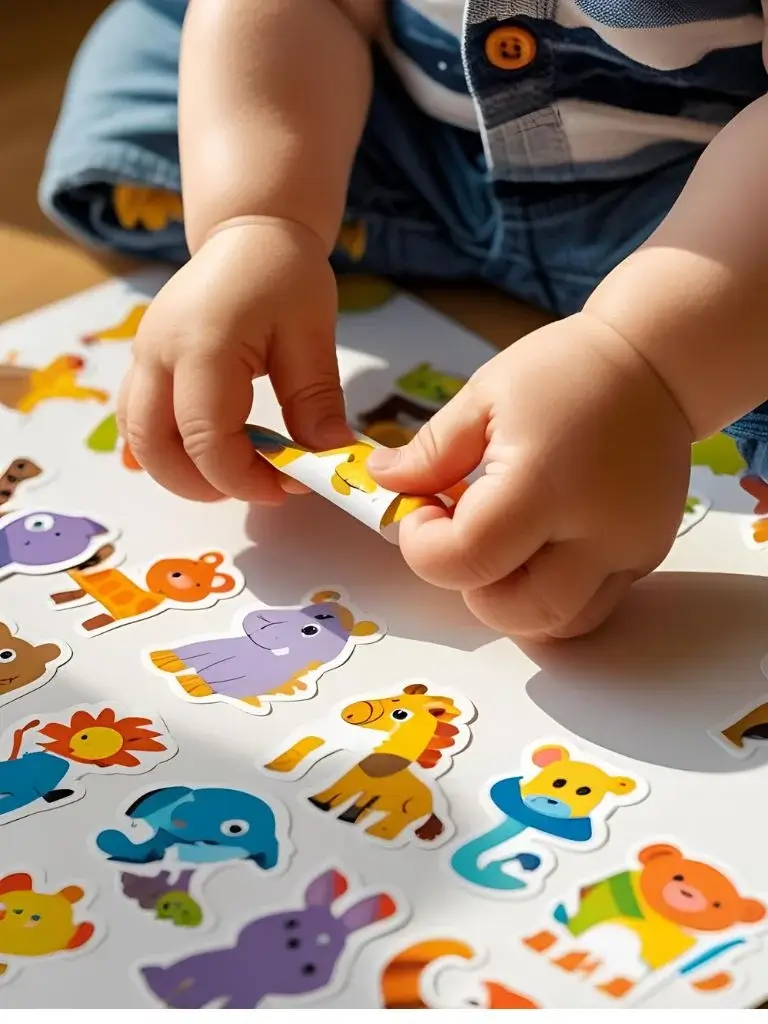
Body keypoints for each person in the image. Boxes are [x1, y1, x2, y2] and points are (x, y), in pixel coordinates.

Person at [40, 0, 768, 639]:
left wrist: (647, 364)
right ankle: (298, 226)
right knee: (158, 61)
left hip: (706, 210)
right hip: (397, 118)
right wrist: (257, 220)